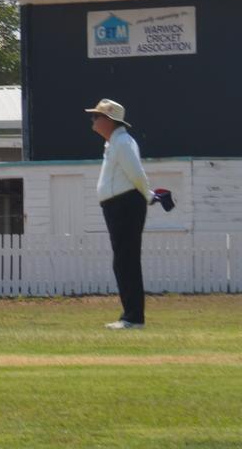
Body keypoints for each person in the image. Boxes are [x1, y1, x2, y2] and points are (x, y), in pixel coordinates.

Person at [87, 98, 154, 330]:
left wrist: (148, 194)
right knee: (123, 261)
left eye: (97, 116)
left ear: (110, 120)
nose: (93, 120)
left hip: (125, 205)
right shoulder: (114, 143)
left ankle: (133, 318)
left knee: (126, 261)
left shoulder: (123, 142)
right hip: (118, 205)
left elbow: (136, 173)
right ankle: (130, 315)